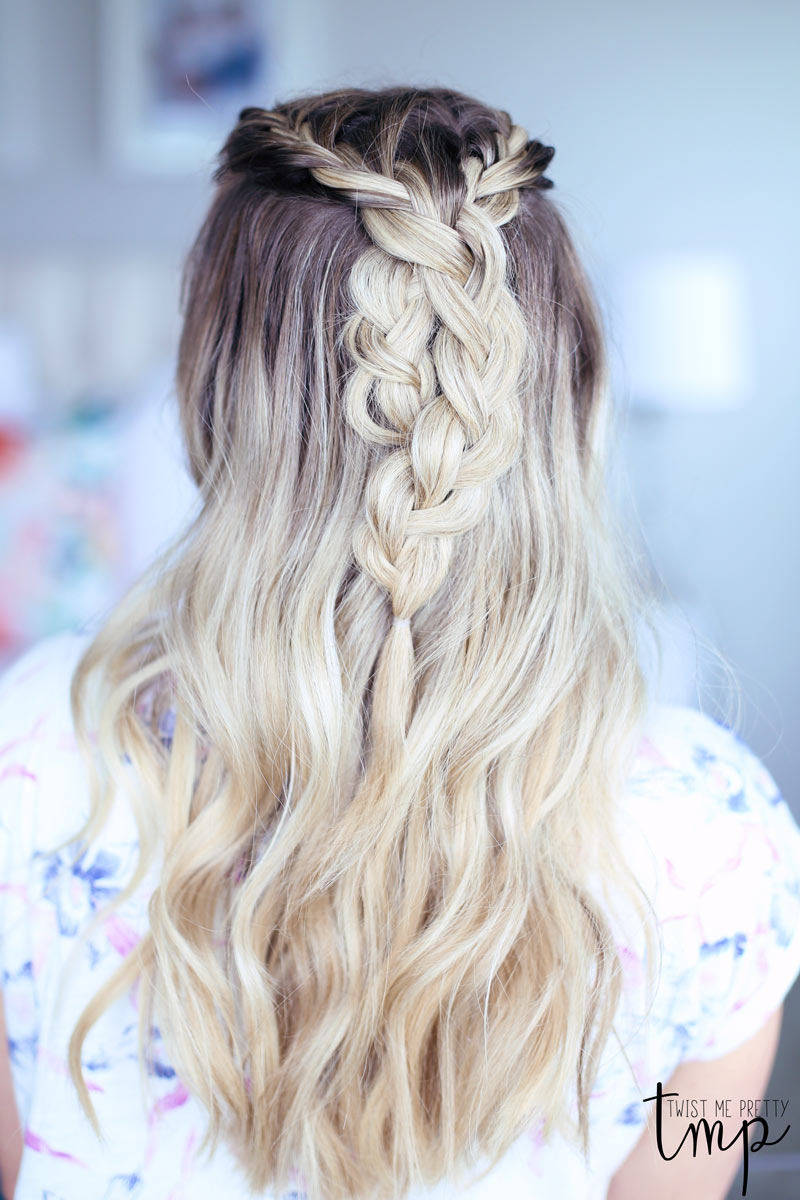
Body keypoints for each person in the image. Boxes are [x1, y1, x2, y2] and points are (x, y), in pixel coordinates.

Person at [1, 86, 799, 1200]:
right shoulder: (719, 834)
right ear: (568, 392)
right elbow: (688, 1177)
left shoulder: (29, 757)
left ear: (208, 397)